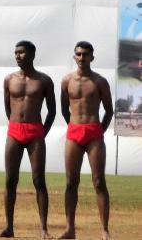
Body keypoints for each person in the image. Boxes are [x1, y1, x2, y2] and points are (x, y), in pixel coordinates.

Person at [0, 40, 56, 239]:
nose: (18, 56)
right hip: (14, 131)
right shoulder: (8, 79)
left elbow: (52, 111)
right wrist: (16, 123)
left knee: (39, 180)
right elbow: (8, 107)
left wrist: (41, 132)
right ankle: (9, 227)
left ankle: (43, 229)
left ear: (32, 54)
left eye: (21, 52)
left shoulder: (44, 80)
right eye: (16, 52)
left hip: (35, 132)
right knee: (10, 180)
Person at [59, 41, 113, 240]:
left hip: (94, 132)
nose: (82, 58)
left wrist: (100, 130)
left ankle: (104, 229)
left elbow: (109, 110)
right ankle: (70, 228)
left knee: (99, 181)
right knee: (71, 182)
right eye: (79, 54)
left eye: (86, 54)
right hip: (74, 131)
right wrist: (73, 125)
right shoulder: (66, 81)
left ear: (92, 57)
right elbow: (64, 109)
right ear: (74, 57)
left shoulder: (100, 81)